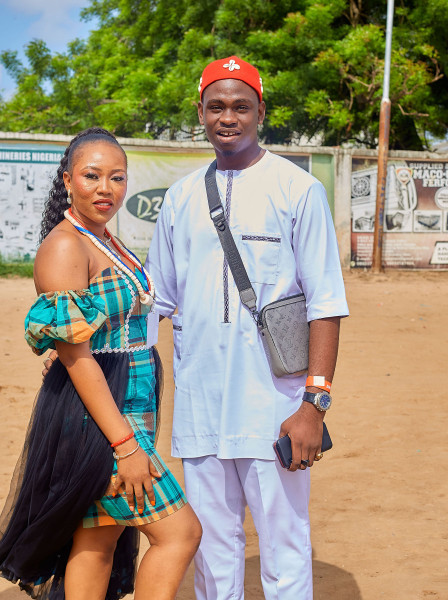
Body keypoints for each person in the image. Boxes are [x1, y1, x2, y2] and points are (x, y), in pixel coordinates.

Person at [144, 57, 349, 599]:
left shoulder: (297, 189)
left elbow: (325, 303)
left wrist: (314, 405)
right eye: (216, 107)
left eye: (240, 106)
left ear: (261, 112)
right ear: (200, 113)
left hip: (276, 408)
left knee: (284, 545)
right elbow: (156, 303)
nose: (227, 117)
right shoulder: (181, 198)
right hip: (201, 405)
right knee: (213, 549)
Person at [0, 127, 201, 600]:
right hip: (101, 418)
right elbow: (77, 356)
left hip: (122, 403)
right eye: (92, 175)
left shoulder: (104, 239)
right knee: (179, 533)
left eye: (117, 177)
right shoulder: (65, 246)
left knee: (98, 536)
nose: (106, 188)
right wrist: (125, 444)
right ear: (67, 180)